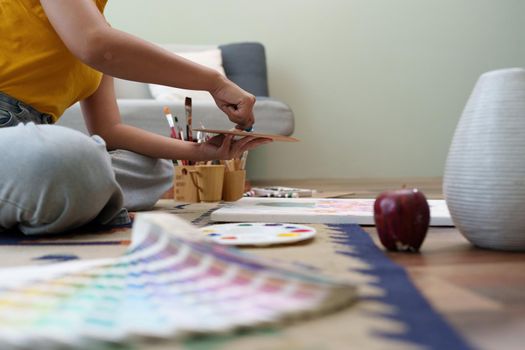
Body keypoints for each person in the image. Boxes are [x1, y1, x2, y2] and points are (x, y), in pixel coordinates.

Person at [0, 0, 272, 235]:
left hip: (28, 145)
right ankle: (73, 192)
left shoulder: (99, 26)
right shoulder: (96, 36)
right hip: (17, 141)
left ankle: (55, 195)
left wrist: (199, 150)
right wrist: (214, 82)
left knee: (155, 169)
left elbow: (110, 130)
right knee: (70, 158)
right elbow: (95, 44)